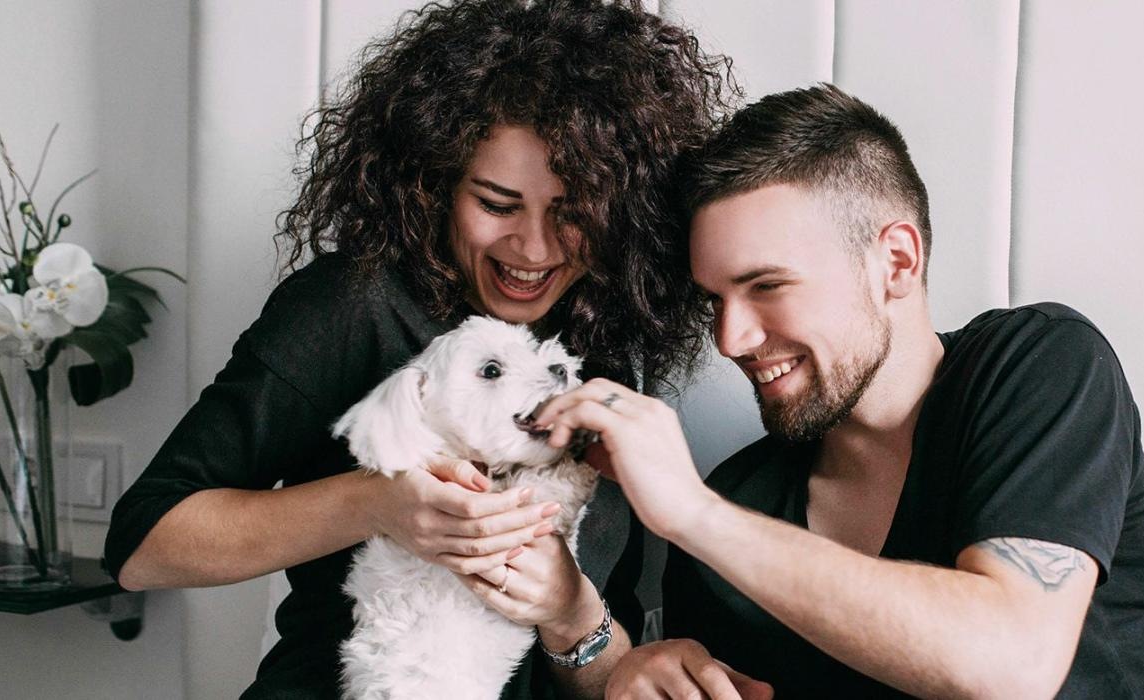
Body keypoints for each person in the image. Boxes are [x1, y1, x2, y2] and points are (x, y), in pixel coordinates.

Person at [527, 84, 1144, 698]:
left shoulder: (1037, 364)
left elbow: (1011, 663)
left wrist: (692, 513)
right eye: (715, 300)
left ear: (897, 263)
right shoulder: (740, 506)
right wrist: (632, 666)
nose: (731, 339)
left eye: (767, 286)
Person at [102, 1, 735, 697]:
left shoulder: (606, 338)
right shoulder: (355, 304)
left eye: (574, 213)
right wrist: (376, 505)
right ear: (435, 183)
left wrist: (571, 616)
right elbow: (143, 547)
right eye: (497, 204)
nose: (533, 249)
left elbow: (592, 664)